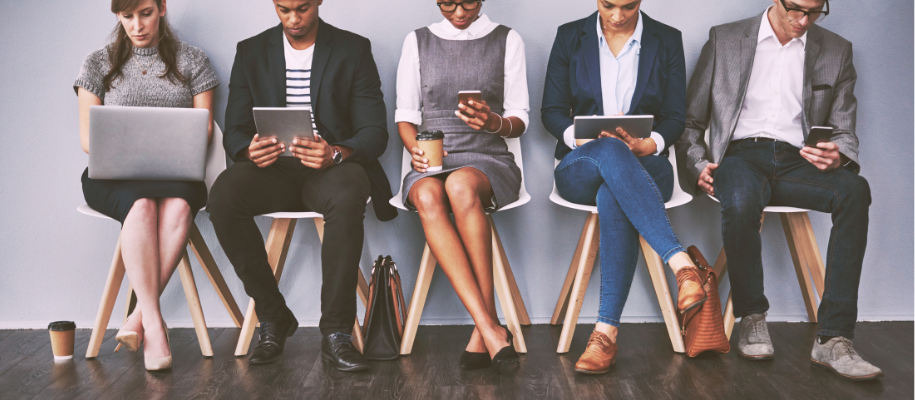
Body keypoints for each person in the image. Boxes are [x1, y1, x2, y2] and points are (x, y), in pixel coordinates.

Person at [676, 0, 882, 381]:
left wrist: (838, 155)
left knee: (855, 190)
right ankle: (751, 317)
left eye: (815, 12)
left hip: (796, 160)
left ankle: (834, 338)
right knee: (739, 201)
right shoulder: (726, 39)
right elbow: (690, 121)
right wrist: (697, 164)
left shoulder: (837, 50)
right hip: (740, 155)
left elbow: (844, 130)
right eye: (796, 10)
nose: (803, 20)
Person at [206, 0, 396, 371]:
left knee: (347, 193)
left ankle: (337, 332)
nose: (293, 19)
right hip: (271, 171)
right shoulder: (251, 50)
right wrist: (248, 149)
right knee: (223, 196)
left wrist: (336, 153)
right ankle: (274, 316)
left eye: (302, 8)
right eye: (283, 9)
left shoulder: (353, 49)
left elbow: (375, 132)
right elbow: (236, 129)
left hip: (329, 170)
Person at [542, 0, 706, 374]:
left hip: (648, 165)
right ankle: (681, 265)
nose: (617, 16)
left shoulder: (666, 39)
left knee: (614, 191)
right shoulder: (570, 37)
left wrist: (652, 144)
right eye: (608, 5)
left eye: (628, 6)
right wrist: (581, 139)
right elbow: (550, 111)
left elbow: (675, 118)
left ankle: (605, 334)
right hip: (581, 166)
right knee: (611, 154)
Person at [74, 0, 218, 371]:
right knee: (140, 206)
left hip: (176, 173)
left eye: (145, 14)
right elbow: (89, 139)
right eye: (127, 17)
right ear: (118, 17)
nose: (137, 25)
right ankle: (153, 323)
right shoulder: (97, 63)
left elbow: (202, 129)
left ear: (162, 8)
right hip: (114, 176)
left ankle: (139, 315)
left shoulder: (194, 61)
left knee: (180, 206)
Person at [395, 0, 527, 374]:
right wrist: (415, 152)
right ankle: (489, 327)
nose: (457, 11)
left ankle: (483, 329)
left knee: (459, 186)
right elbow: (405, 116)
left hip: (487, 158)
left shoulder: (506, 39)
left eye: (466, 1)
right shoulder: (417, 41)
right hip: (432, 158)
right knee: (424, 193)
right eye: (446, 3)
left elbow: (521, 119)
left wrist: (492, 122)